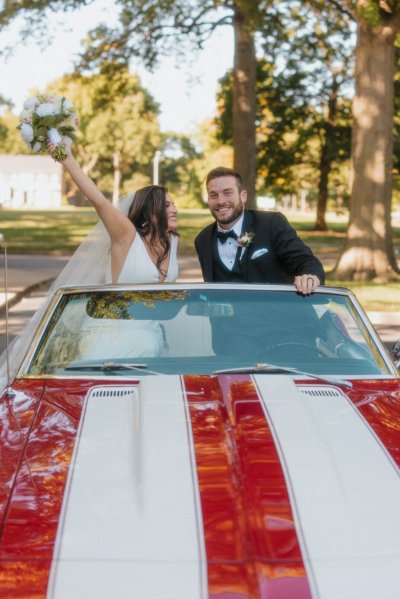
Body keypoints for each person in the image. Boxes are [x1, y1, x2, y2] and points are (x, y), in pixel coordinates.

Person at [47, 143, 179, 284]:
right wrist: (68, 160)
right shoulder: (126, 235)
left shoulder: (172, 240)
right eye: (166, 206)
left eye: (173, 205)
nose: (175, 210)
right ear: (149, 211)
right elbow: (99, 201)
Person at [195, 166, 325, 295]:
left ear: (243, 196)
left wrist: (310, 276)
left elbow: (304, 260)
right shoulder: (202, 240)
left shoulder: (271, 223)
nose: (221, 201)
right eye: (213, 195)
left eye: (227, 193)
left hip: (278, 313)